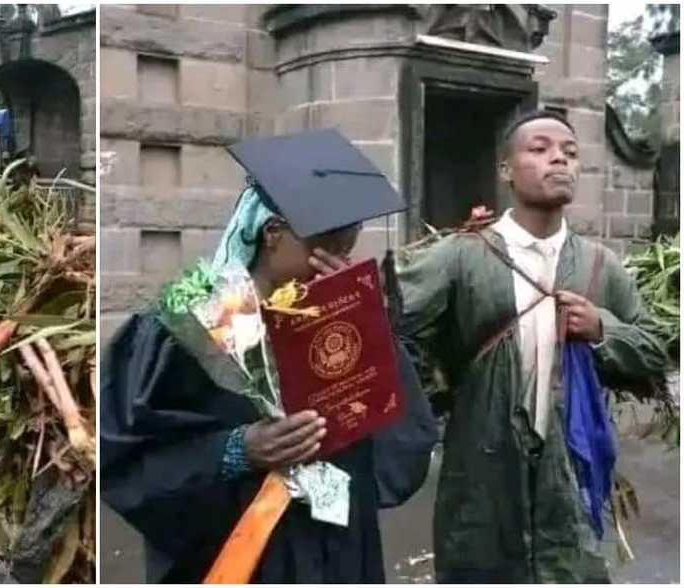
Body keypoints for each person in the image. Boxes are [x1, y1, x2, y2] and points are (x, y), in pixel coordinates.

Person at [101, 129, 437, 583]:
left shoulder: (346, 315)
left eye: (348, 247)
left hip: (335, 550)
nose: (338, 262)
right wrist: (238, 450)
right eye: (327, 246)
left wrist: (365, 330)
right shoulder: (185, 326)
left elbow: (402, 434)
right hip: (236, 551)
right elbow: (128, 458)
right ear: (273, 233)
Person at [397, 110, 669, 583]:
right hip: (480, 466)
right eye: (539, 149)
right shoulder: (463, 254)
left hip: (572, 470)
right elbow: (397, 325)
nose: (558, 160)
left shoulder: (601, 266)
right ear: (506, 169)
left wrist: (601, 327)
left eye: (569, 152)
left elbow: (653, 349)